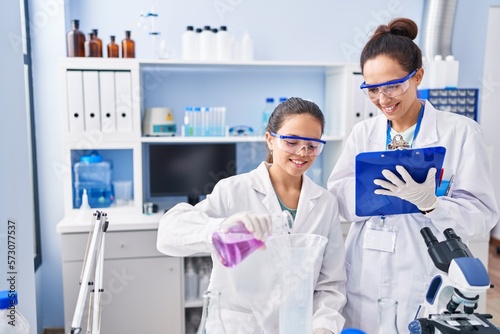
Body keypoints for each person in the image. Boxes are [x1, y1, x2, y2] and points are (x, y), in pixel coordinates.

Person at [327, 17, 499, 333]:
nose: (383, 99)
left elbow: (482, 215)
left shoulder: (460, 133)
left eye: (393, 85)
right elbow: (336, 195)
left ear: (418, 76)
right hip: (364, 271)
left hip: (424, 275)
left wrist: (433, 204)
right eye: (372, 89)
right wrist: (371, 198)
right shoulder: (364, 132)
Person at [157, 97, 347, 333]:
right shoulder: (233, 190)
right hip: (237, 327)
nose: (302, 152)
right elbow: (167, 235)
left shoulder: (325, 204)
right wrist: (222, 228)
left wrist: (324, 326)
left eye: (312, 145)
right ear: (270, 139)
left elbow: (331, 284)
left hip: (296, 327)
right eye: (291, 142)